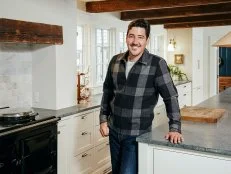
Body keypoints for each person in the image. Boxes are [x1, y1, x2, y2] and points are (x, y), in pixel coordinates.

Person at [99, 19, 183, 174]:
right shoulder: (115, 61)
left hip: (138, 134)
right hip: (114, 131)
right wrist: (103, 119)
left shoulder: (157, 64)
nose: (135, 41)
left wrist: (175, 127)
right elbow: (107, 91)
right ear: (126, 37)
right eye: (131, 36)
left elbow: (170, 97)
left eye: (140, 37)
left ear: (147, 40)